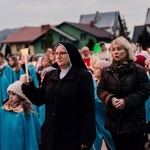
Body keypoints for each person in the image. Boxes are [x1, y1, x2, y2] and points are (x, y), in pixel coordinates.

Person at [20, 42, 96, 150]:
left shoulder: (83, 76)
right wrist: (29, 86)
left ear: (70, 55)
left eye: (62, 53)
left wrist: (86, 138)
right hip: (50, 134)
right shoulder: (50, 75)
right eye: (56, 53)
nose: (58, 56)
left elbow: (88, 109)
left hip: (72, 134)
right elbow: (39, 99)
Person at [97, 36, 150, 150]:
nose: (116, 52)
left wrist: (126, 101)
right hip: (114, 122)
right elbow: (100, 90)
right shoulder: (107, 71)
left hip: (134, 122)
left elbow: (144, 92)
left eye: (119, 49)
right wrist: (110, 98)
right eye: (113, 49)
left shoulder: (138, 70)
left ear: (127, 50)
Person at [0, 80, 41, 150]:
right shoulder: (3, 111)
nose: (10, 97)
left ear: (21, 96)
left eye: (13, 94)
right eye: (9, 94)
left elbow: (33, 135)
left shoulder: (26, 113)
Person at [91, 60, 116, 150]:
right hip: (95, 121)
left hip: (106, 120)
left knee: (112, 143)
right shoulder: (94, 83)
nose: (94, 70)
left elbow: (100, 101)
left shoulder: (110, 85)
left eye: (97, 68)